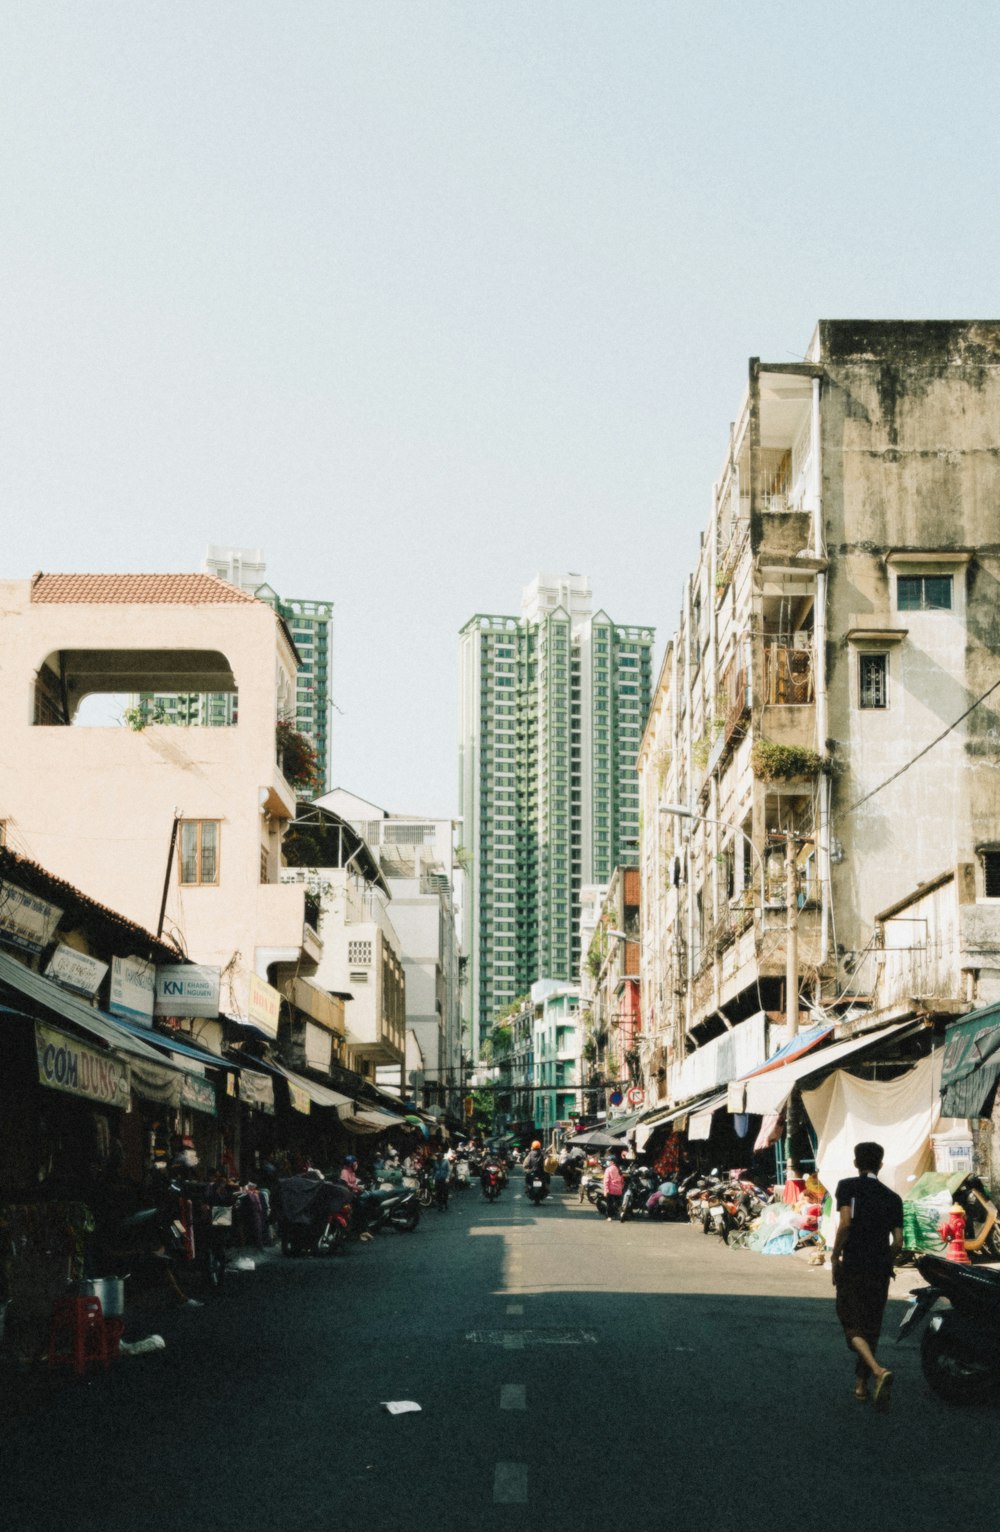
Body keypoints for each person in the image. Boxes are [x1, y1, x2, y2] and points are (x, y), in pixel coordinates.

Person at [831, 1141, 904, 1410]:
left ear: (855, 1163)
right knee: (871, 1325)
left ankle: (876, 1370)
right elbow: (898, 1241)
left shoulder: (847, 1186)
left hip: (854, 1265)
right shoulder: (893, 1198)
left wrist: (834, 1256)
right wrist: (888, 1261)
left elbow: (846, 1224)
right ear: (880, 1165)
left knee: (850, 1319)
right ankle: (860, 1385)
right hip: (880, 1269)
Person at [602, 1155, 624, 1221]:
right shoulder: (618, 1169)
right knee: (618, 1203)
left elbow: (606, 1180)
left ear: (612, 1162)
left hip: (611, 1190)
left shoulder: (608, 1169)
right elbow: (622, 1180)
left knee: (609, 1204)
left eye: (608, 1161)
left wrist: (606, 1190)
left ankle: (609, 1217)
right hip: (618, 1189)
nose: (607, 1162)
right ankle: (621, 1213)